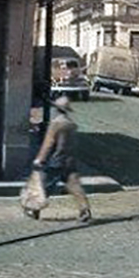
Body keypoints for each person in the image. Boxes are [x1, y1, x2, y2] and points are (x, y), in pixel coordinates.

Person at [29, 95, 91, 223]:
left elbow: (48, 143)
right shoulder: (71, 124)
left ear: (57, 109)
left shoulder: (56, 124)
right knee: (74, 185)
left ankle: (34, 209)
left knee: (45, 184)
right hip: (69, 159)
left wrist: (40, 158)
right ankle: (85, 209)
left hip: (57, 159)